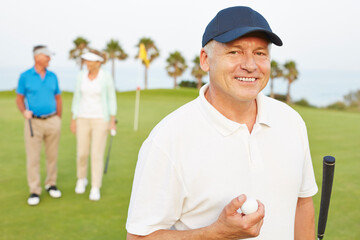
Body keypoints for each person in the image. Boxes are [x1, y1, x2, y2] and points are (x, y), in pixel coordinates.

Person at [126, 6, 318, 240]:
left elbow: (302, 204)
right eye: (235, 52)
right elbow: (138, 237)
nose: (250, 65)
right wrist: (215, 233)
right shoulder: (168, 139)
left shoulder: (291, 121)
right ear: (205, 60)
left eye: (260, 53)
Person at [16, 45, 62, 206]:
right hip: (33, 122)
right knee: (33, 158)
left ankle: (51, 184)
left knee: (52, 156)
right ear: (37, 57)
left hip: (52, 121)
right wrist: (24, 112)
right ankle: (34, 190)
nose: (49, 59)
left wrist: (58, 119)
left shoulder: (53, 76)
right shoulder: (25, 76)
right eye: (47, 56)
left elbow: (58, 98)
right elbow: (19, 99)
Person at [70, 51, 117, 201]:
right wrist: (73, 117)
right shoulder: (80, 76)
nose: (87, 64)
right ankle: (81, 178)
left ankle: (95, 186)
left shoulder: (106, 76)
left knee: (96, 154)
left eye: (90, 61)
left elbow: (111, 98)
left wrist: (112, 120)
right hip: (82, 118)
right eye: (86, 61)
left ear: (99, 63)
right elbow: (77, 97)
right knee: (82, 152)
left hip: (100, 119)